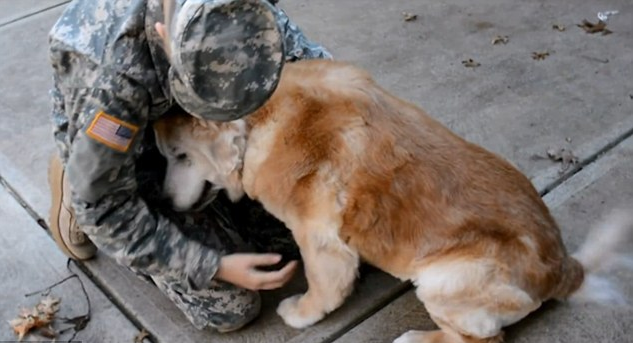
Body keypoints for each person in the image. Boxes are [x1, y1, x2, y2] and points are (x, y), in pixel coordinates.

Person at [47, 0, 331, 332]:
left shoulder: (237, 13)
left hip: (205, 136)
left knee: (296, 239)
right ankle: (77, 172)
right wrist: (210, 265)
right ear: (165, 35)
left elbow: (321, 82)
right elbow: (104, 212)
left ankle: (214, 200)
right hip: (132, 149)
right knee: (230, 307)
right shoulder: (112, 83)